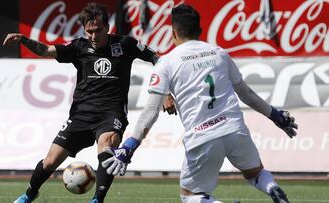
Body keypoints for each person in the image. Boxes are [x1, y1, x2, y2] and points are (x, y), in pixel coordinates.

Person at [102, 4, 298, 203]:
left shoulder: (167, 63)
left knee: (191, 197)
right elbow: (246, 94)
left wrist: (129, 146)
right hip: (234, 129)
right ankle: (273, 188)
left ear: (173, 32)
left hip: (202, 136)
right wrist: (276, 116)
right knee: (256, 174)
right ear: (200, 30)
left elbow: (151, 111)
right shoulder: (219, 53)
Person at [3, 3, 175, 203]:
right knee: (50, 161)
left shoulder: (126, 44)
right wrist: (23, 39)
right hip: (80, 115)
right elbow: (45, 50)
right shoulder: (78, 47)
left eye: (98, 30)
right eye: (89, 32)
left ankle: (97, 200)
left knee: (107, 147)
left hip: (111, 113)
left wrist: (165, 92)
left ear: (107, 28)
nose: (93, 36)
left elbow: (156, 58)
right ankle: (29, 195)